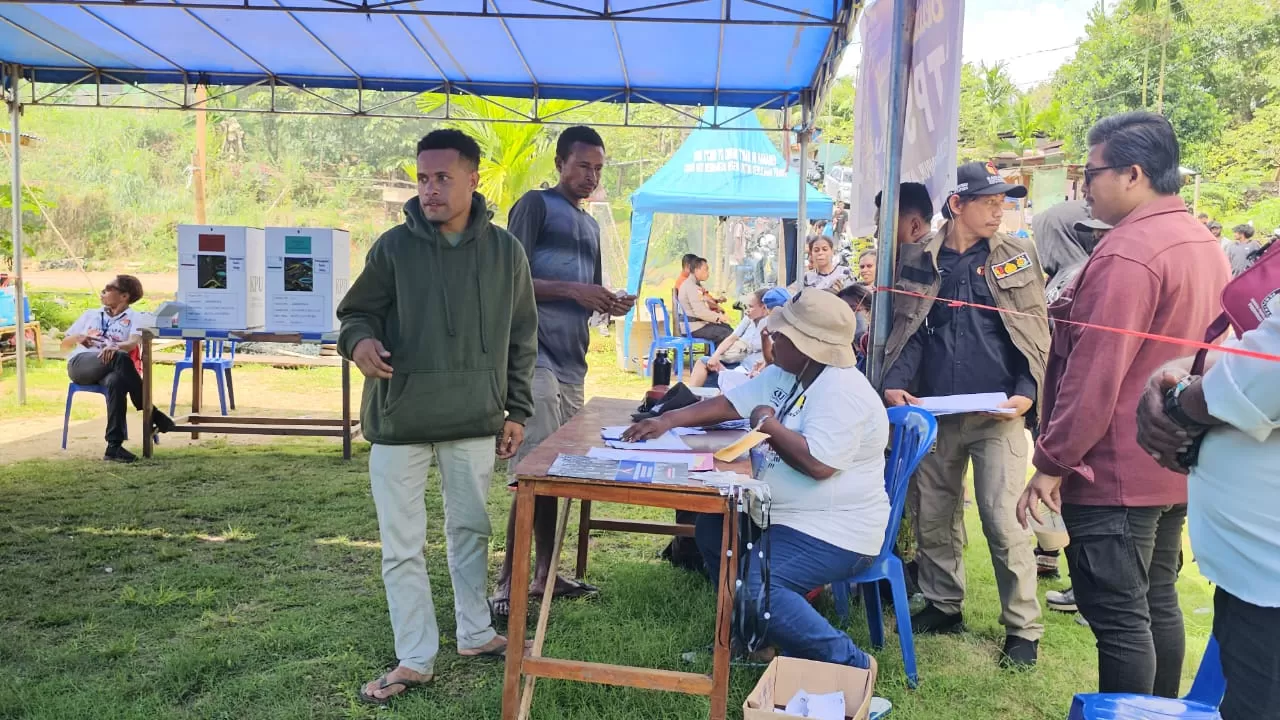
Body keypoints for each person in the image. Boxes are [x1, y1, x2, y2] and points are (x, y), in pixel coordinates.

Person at [1015, 111, 1229, 698]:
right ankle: (1159, 711)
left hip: (1115, 471)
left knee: (1120, 620)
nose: (1084, 187)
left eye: (1092, 173)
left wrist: (1052, 462)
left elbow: (1095, 374)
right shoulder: (1199, 240)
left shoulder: (1129, 253)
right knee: (1155, 603)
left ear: (1134, 174)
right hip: (1170, 461)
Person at [337, 129, 539, 704]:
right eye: (423, 178)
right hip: (398, 419)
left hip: (474, 417)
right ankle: (415, 657)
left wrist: (517, 409)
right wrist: (359, 343)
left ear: (473, 179)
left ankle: (475, 632)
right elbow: (355, 314)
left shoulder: (506, 252)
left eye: (442, 178)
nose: (429, 189)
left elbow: (522, 338)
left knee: (471, 530)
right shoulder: (392, 248)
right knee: (401, 544)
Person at [622, 290, 890, 670]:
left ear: (808, 346)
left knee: (759, 589)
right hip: (786, 515)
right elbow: (730, 403)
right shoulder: (791, 373)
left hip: (836, 530)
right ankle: (754, 642)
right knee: (713, 530)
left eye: (781, 335)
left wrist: (768, 425)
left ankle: (850, 663)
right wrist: (666, 420)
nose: (771, 337)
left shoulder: (842, 391)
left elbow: (817, 465)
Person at [881, 161, 1049, 668]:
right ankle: (943, 603)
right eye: (989, 202)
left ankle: (1022, 627)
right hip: (934, 411)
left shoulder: (1016, 256)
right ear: (957, 204)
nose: (999, 211)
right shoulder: (919, 259)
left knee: (1004, 519)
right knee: (933, 513)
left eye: (1003, 202)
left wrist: (1027, 391)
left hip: (998, 413)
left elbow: (1035, 327)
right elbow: (908, 328)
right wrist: (895, 382)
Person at [492, 125, 635, 616]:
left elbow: (587, 294)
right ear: (559, 164)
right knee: (532, 471)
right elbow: (507, 279)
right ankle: (507, 583)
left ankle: (545, 574)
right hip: (533, 356)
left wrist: (609, 302)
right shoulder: (535, 205)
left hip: (574, 360)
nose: (591, 176)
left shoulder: (590, 226)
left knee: (557, 471)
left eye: (598, 168)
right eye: (583, 166)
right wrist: (575, 291)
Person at [1135, 316, 1280, 720]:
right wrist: (1179, 372)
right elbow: (1254, 347)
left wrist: (1179, 404)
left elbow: (1264, 371)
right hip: (1253, 575)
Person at [62, 275, 176, 462]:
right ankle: (151, 411)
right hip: (82, 365)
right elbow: (64, 344)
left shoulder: (135, 318)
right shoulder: (91, 314)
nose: (103, 292)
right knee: (120, 357)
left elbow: (131, 343)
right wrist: (78, 337)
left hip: (111, 368)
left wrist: (115, 347)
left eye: (108, 288)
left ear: (124, 296)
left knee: (117, 381)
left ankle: (113, 447)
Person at [687, 287, 788, 389]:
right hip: (739, 364)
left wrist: (758, 370)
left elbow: (770, 360)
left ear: (764, 308)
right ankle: (690, 395)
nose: (747, 310)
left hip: (750, 373)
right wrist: (715, 356)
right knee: (703, 362)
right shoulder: (749, 319)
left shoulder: (774, 327)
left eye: (751, 307)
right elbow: (731, 338)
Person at [678, 256, 734, 345]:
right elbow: (701, 312)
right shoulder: (692, 287)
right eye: (706, 270)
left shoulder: (691, 285)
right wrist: (719, 317)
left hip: (693, 325)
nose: (708, 273)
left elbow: (702, 303)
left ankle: (713, 353)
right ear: (696, 270)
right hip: (692, 327)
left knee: (727, 328)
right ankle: (716, 354)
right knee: (727, 333)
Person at [874, 181, 934, 247]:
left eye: (883, 227)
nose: (875, 235)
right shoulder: (935, 249)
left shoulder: (929, 252)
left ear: (915, 227)